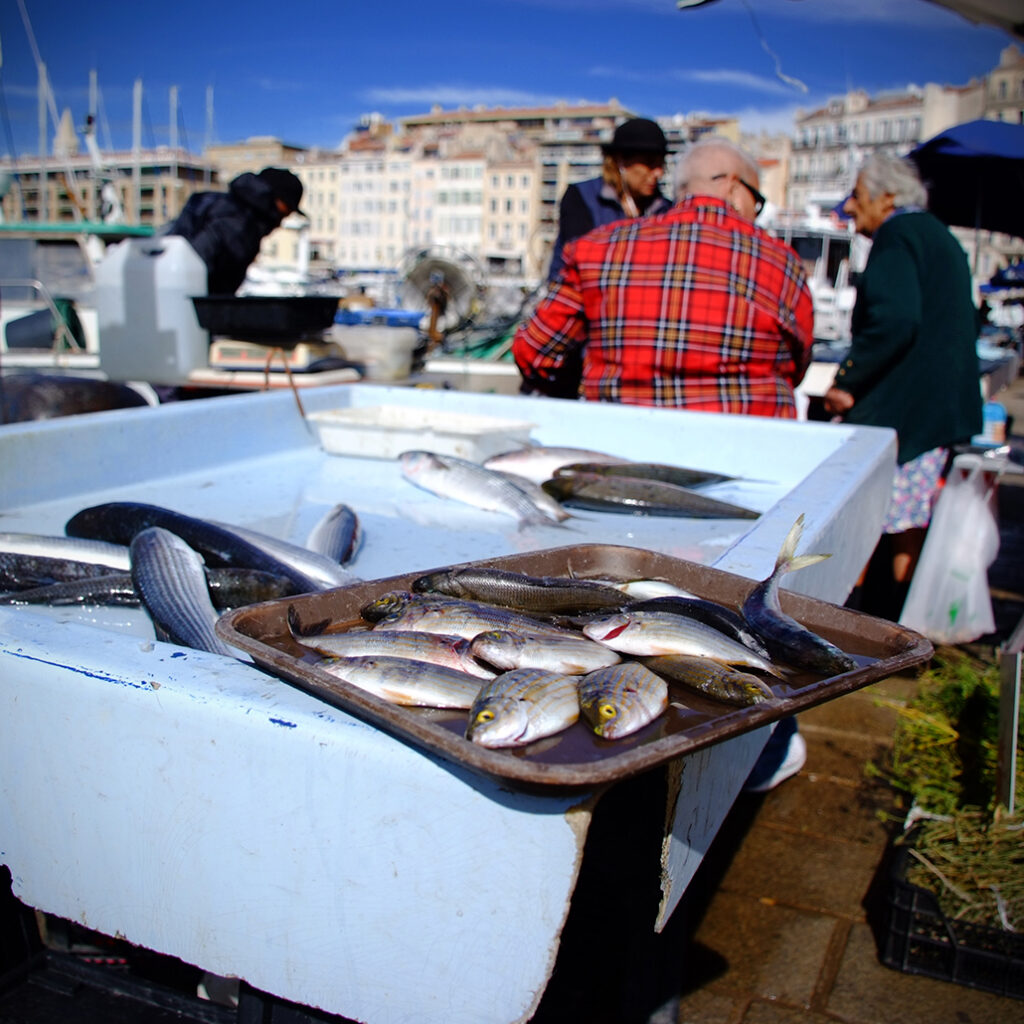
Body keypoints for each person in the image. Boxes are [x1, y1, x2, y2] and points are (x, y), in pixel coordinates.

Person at [513, 135, 815, 416]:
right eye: (757, 203)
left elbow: (534, 350)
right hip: (749, 454)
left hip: (620, 452)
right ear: (733, 187)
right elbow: (798, 367)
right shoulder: (783, 263)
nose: (756, 213)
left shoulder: (596, 249)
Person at [824, 152, 983, 621]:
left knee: (869, 518)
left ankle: (859, 625)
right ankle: (900, 621)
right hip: (937, 408)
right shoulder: (939, 236)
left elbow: (894, 321)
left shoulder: (898, 235)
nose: (850, 207)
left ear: (887, 197)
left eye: (857, 195)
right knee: (907, 523)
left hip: (906, 410)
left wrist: (848, 379)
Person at [547, 117, 673, 281]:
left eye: (661, 165)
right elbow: (580, 259)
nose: (658, 173)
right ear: (621, 161)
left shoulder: (667, 209)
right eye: (650, 164)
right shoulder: (580, 196)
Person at [166, 167, 306, 295]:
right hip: (188, 308)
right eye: (287, 210)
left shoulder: (214, 202)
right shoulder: (240, 224)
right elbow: (195, 265)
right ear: (276, 200)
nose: (284, 218)